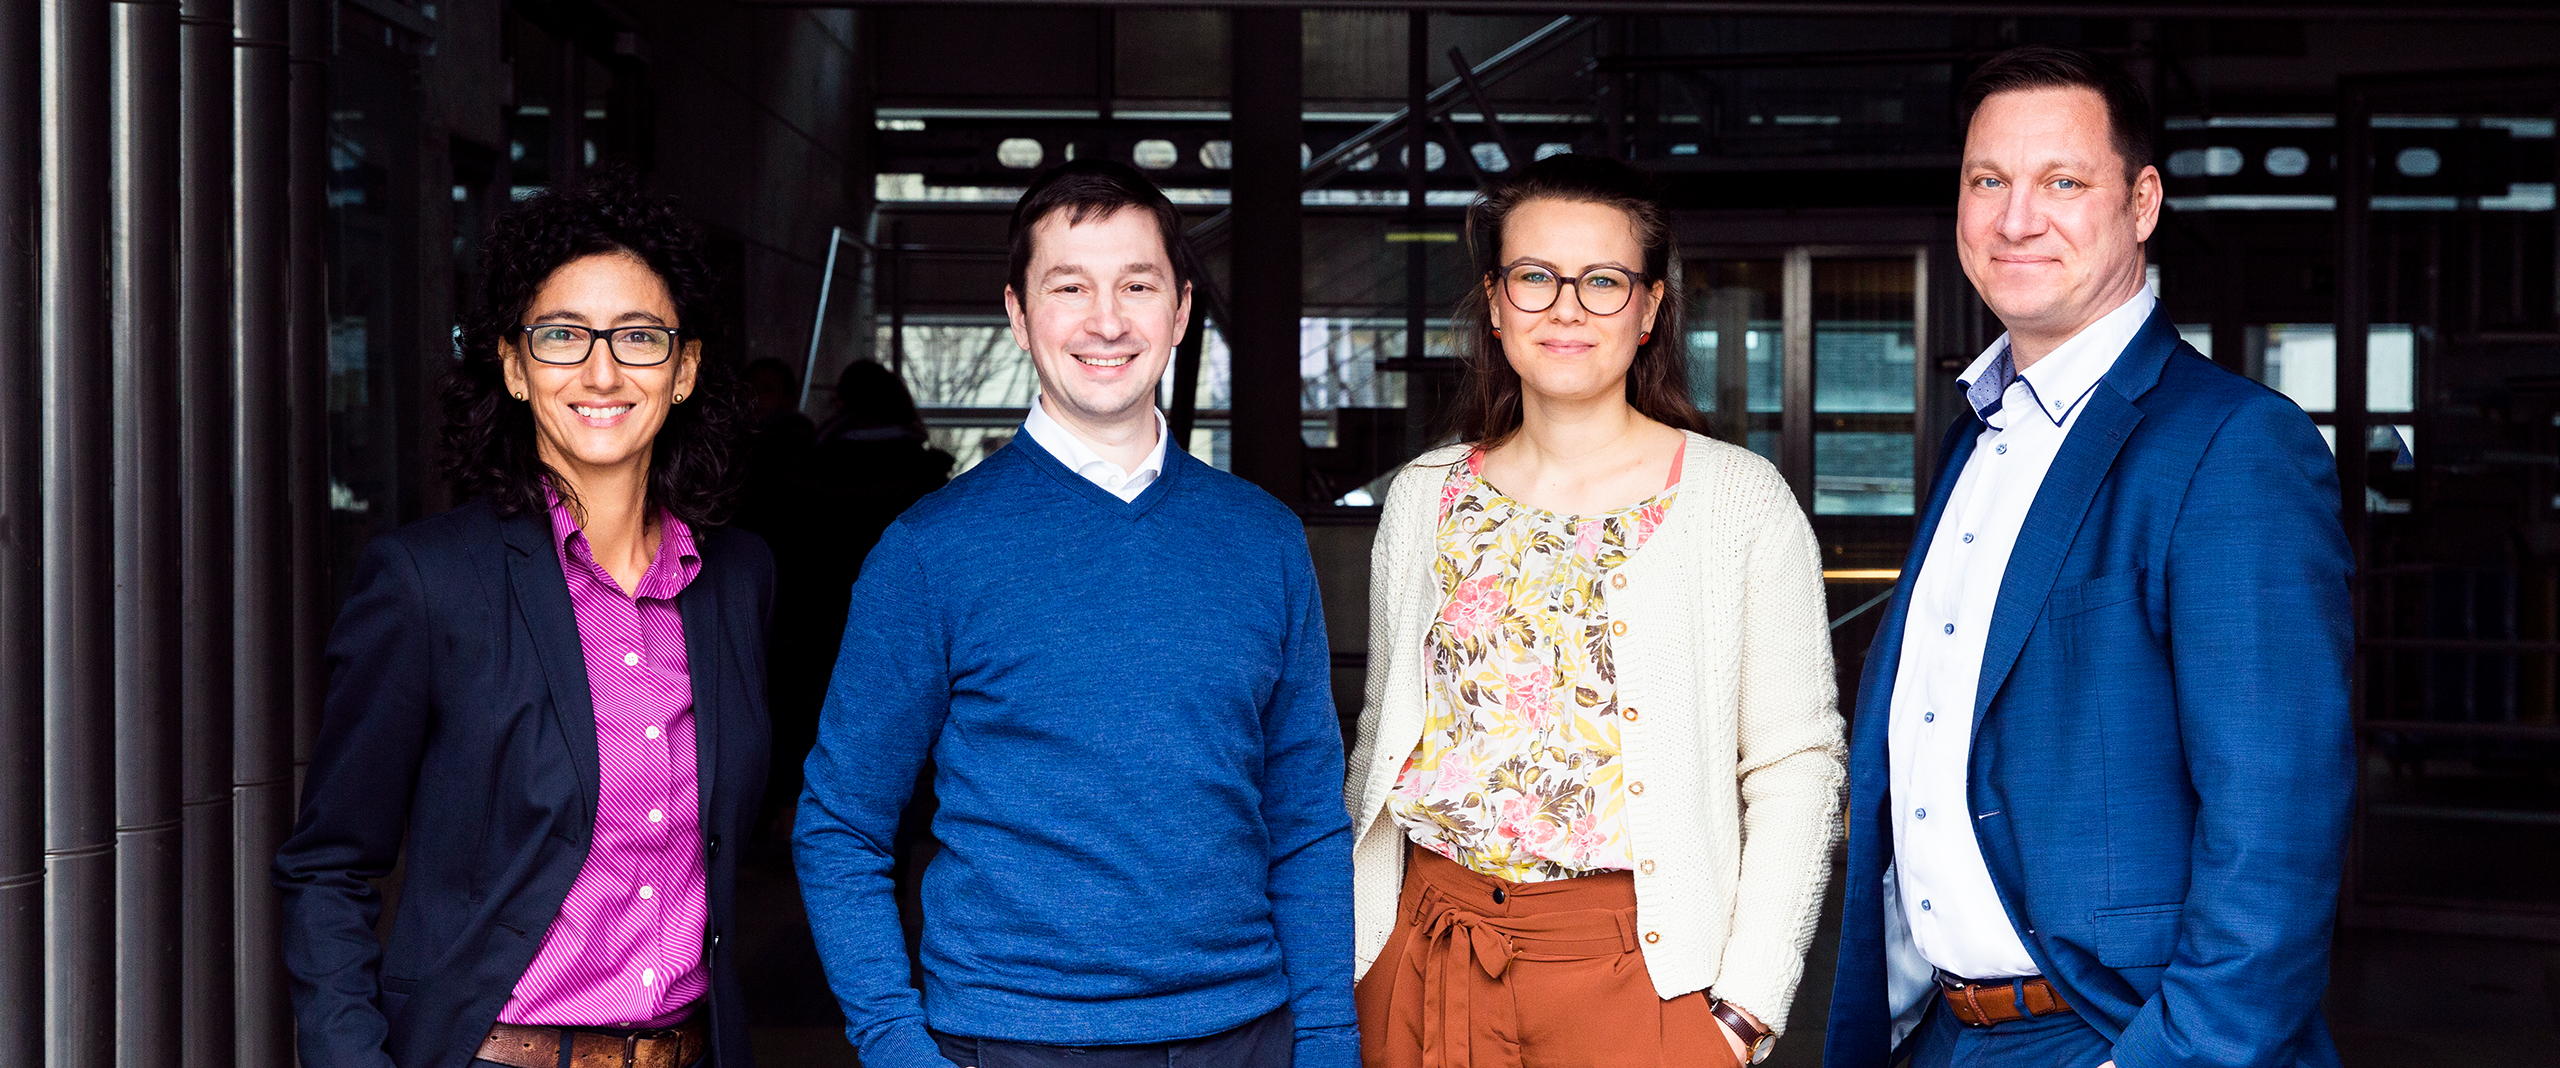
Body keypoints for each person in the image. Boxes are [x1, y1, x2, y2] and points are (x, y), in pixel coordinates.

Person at [1820, 47, 2354, 1068]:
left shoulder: (2232, 445)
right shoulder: (1977, 435)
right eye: (1989, 181)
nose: (2017, 219)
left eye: (2062, 181)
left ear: (2141, 202)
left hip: (2111, 1038)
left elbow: (2276, 833)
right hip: (1938, 1033)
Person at [792, 159, 1357, 1068]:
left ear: (1178, 313)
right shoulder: (930, 552)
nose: (1106, 320)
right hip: (1010, 1038)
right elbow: (841, 823)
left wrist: (1328, 1041)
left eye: (1138, 284)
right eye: (1069, 287)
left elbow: (1306, 821)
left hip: (1246, 1033)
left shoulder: (1264, 543)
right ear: (1017, 314)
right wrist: (897, 1044)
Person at [1346, 153, 1845, 1068]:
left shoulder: (1737, 501)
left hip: (1639, 978)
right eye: (1536, 277)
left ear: (1650, 307)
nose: (1566, 307)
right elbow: (1385, 732)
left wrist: (1747, 1008)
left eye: (1602, 281)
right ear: (1495, 302)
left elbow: (1796, 765)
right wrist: (1365, 960)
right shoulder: (1425, 497)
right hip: (1424, 953)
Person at [275, 175, 771, 1068]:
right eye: (561, 336)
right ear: (512, 365)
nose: (602, 371)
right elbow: (328, 869)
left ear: (685, 368)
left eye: (639, 337)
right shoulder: (427, 583)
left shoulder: (738, 579)